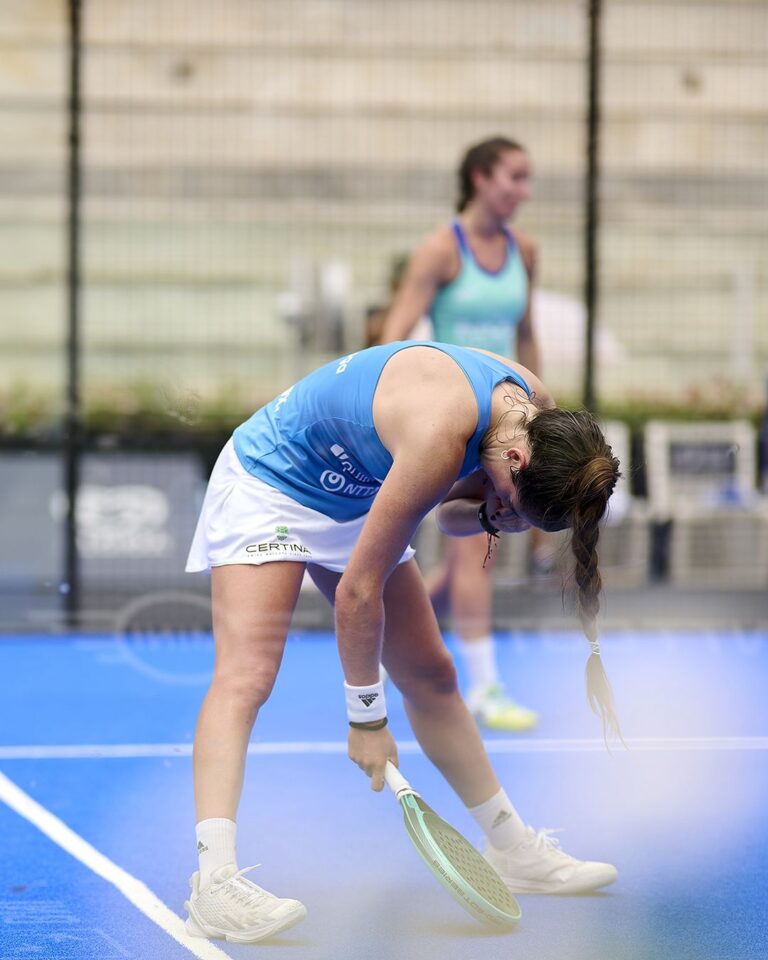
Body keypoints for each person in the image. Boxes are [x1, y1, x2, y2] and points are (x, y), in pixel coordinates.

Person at [182, 340, 621, 943]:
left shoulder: (537, 418)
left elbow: (451, 515)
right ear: (517, 457)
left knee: (434, 674)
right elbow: (357, 595)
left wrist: (496, 515)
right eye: (516, 500)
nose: (509, 508)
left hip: (357, 493)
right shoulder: (442, 433)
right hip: (273, 481)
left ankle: (513, 848)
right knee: (248, 676)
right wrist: (366, 719)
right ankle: (213, 883)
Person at [379, 136, 554, 732]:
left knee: (461, 566)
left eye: (528, 179)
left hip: (508, 417)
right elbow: (394, 333)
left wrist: (541, 411)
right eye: (515, 177)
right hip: (457, 417)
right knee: (477, 548)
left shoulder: (523, 251)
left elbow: (527, 335)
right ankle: (483, 687)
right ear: (481, 179)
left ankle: (380, 644)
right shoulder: (439, 250)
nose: (523, 191)